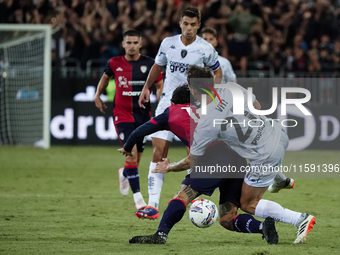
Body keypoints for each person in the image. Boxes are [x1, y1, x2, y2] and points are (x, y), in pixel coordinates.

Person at [153, 65, 316, 244]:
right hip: (276, 131)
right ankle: (280, 180)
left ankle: (300, 219)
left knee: (248, 203)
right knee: (249, 159)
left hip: (263, 152)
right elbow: (257, 106)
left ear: (192, 89)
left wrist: (169, 167)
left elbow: (192, 161)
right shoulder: (232, 87)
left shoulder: (206, 120)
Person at [119, 85, 279, 244]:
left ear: (173, 102)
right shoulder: (208, 109)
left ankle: (160, 235)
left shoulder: (171, 112)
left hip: (213, 159)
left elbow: (138, 132)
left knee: (182, 196)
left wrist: (127, 148)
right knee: (227, 218)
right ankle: (262, 227)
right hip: (237, 159)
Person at [136, 6, 222, 219]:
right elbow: (158, 66)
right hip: (167, 102)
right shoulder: (168, 43)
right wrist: (146, 88)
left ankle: (189, 199)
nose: (189, 28)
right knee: (158, 152)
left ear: (198, 25)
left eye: (193, 24)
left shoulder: (205, 48)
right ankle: (153, 205)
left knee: (193, 155)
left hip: (193, 105)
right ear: (180, 23)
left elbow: (217, 71)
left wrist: (212, 94)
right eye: (186, 24)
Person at [94, 29, 163, 210]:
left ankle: (124, 173)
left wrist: (160, 101)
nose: (131, 46)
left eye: (135, 42)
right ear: (123, 44)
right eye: (128, 43)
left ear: (140, 43)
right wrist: (97, 96)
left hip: (143, 116)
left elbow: (159, 84)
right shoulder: (114, 63)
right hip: (122, 115)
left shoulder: (150, 63)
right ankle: (139, 200)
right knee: (131, 154)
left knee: (136, 159)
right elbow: (105, 78)